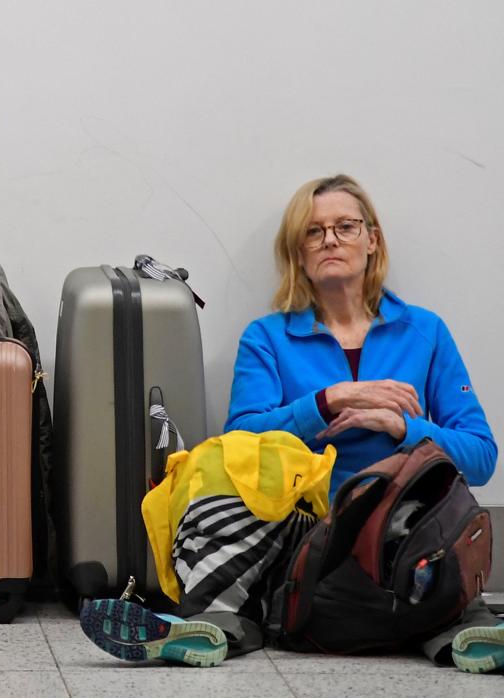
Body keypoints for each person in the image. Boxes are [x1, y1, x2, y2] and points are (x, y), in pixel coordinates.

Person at [81, 174, 503, 672]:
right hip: (307, 536)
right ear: (297, 253)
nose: (329, 239)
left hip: (400, 532)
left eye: (345, 226)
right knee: (211, 475)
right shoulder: (267, 337)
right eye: (313, 231)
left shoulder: (426, 331)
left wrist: (401, 428)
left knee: (443, 510)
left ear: (372, 240)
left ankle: (470, 635)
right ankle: (211, 628)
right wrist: (327, 400)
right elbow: (240, 440)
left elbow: (480, 457)